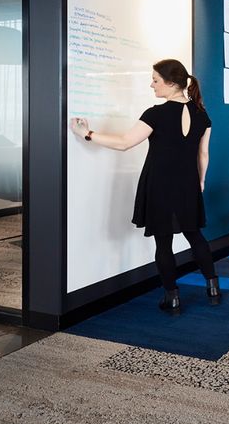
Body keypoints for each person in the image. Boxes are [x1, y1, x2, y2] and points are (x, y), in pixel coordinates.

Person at [69, 58, 220, 314]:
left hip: (159, 183)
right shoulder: (202, 115)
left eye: (155, 80)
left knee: (164, 243)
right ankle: (213, 288)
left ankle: (172, 298)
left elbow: (125, 143)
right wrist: (201, 180)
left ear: (171, 83)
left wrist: (87, 134)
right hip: (188, 183)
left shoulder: (156, 113)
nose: (151, 85)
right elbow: (203, 155)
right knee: (195, 235)